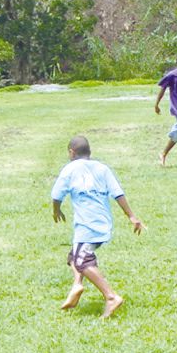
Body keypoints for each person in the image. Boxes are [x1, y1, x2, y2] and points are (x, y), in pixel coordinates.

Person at [52, 135, 145, 318]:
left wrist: (56, 210)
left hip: (88, 225)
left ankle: (111, 297)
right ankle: (77, 285)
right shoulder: (103, 168)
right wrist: (132, 216)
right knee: (74, 256)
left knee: (81, 260)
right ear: (89, 152)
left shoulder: (70, 169)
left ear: (71, 152)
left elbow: (56, 195)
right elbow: (118, 193)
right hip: (102, 223)